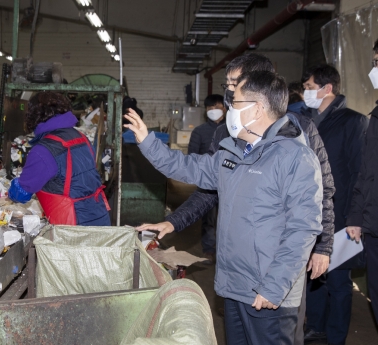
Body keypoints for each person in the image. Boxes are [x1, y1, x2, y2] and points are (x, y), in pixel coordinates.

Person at [126, 70, 323, 345]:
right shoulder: (232, 153)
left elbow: (303, 229)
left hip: (268, 294)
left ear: (258, 108)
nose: (229, 109)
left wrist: (274, 287)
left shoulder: (295, 158)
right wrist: (147, 142)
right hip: (234, 287)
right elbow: (186, 167)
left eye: (236, 103)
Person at [302, 64, 369, 345]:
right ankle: (315, 326)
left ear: (326, 88)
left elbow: (360, 172)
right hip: (310, 212)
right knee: (314, 274)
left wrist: (356, 216)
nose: (305, 93)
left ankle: (336, 336)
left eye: (308, 87)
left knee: (339, 281)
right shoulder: (307, 119)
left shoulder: (352, 121)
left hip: (341, 214)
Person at [7, 91, 111, 226]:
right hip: (101, 218)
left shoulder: (43, 150)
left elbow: (21, 193)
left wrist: (12, 190)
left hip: (75, 227)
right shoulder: (81, 137)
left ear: (33, 116)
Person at [346, 38, 378, 327]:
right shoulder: (376, 116)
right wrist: (357, 216)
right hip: (373, 229)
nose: (374, 70)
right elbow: (366, 172)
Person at [187, 94, 226, 264]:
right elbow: (192, 156)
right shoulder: (199, 131)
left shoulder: (232, 130)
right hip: (207, 183)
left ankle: (225, 251)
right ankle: (209, 250)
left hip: (229, 181)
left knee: (227, 217)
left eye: (217, 107)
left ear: (224, 108)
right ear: (206, 111)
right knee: (209, 218)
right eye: (210, 108)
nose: (214, 111)